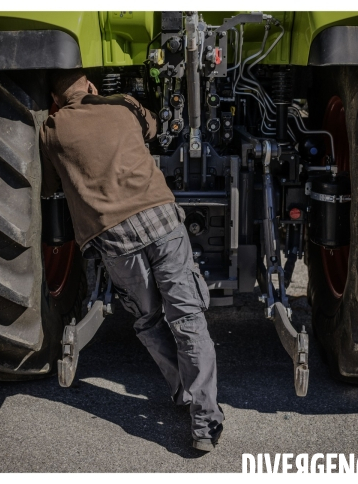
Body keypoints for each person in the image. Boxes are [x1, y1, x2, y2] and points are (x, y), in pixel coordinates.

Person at [39, 69, 224, 451]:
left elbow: (50, 184)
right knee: (187, 317)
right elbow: (155, 130)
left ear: (55, 101)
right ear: (91, 85)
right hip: (160, 222)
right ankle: (204, 423)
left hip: (115, 239)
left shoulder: (52, 130)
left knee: (149, 319)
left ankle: (181, 393)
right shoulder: (123, 105)